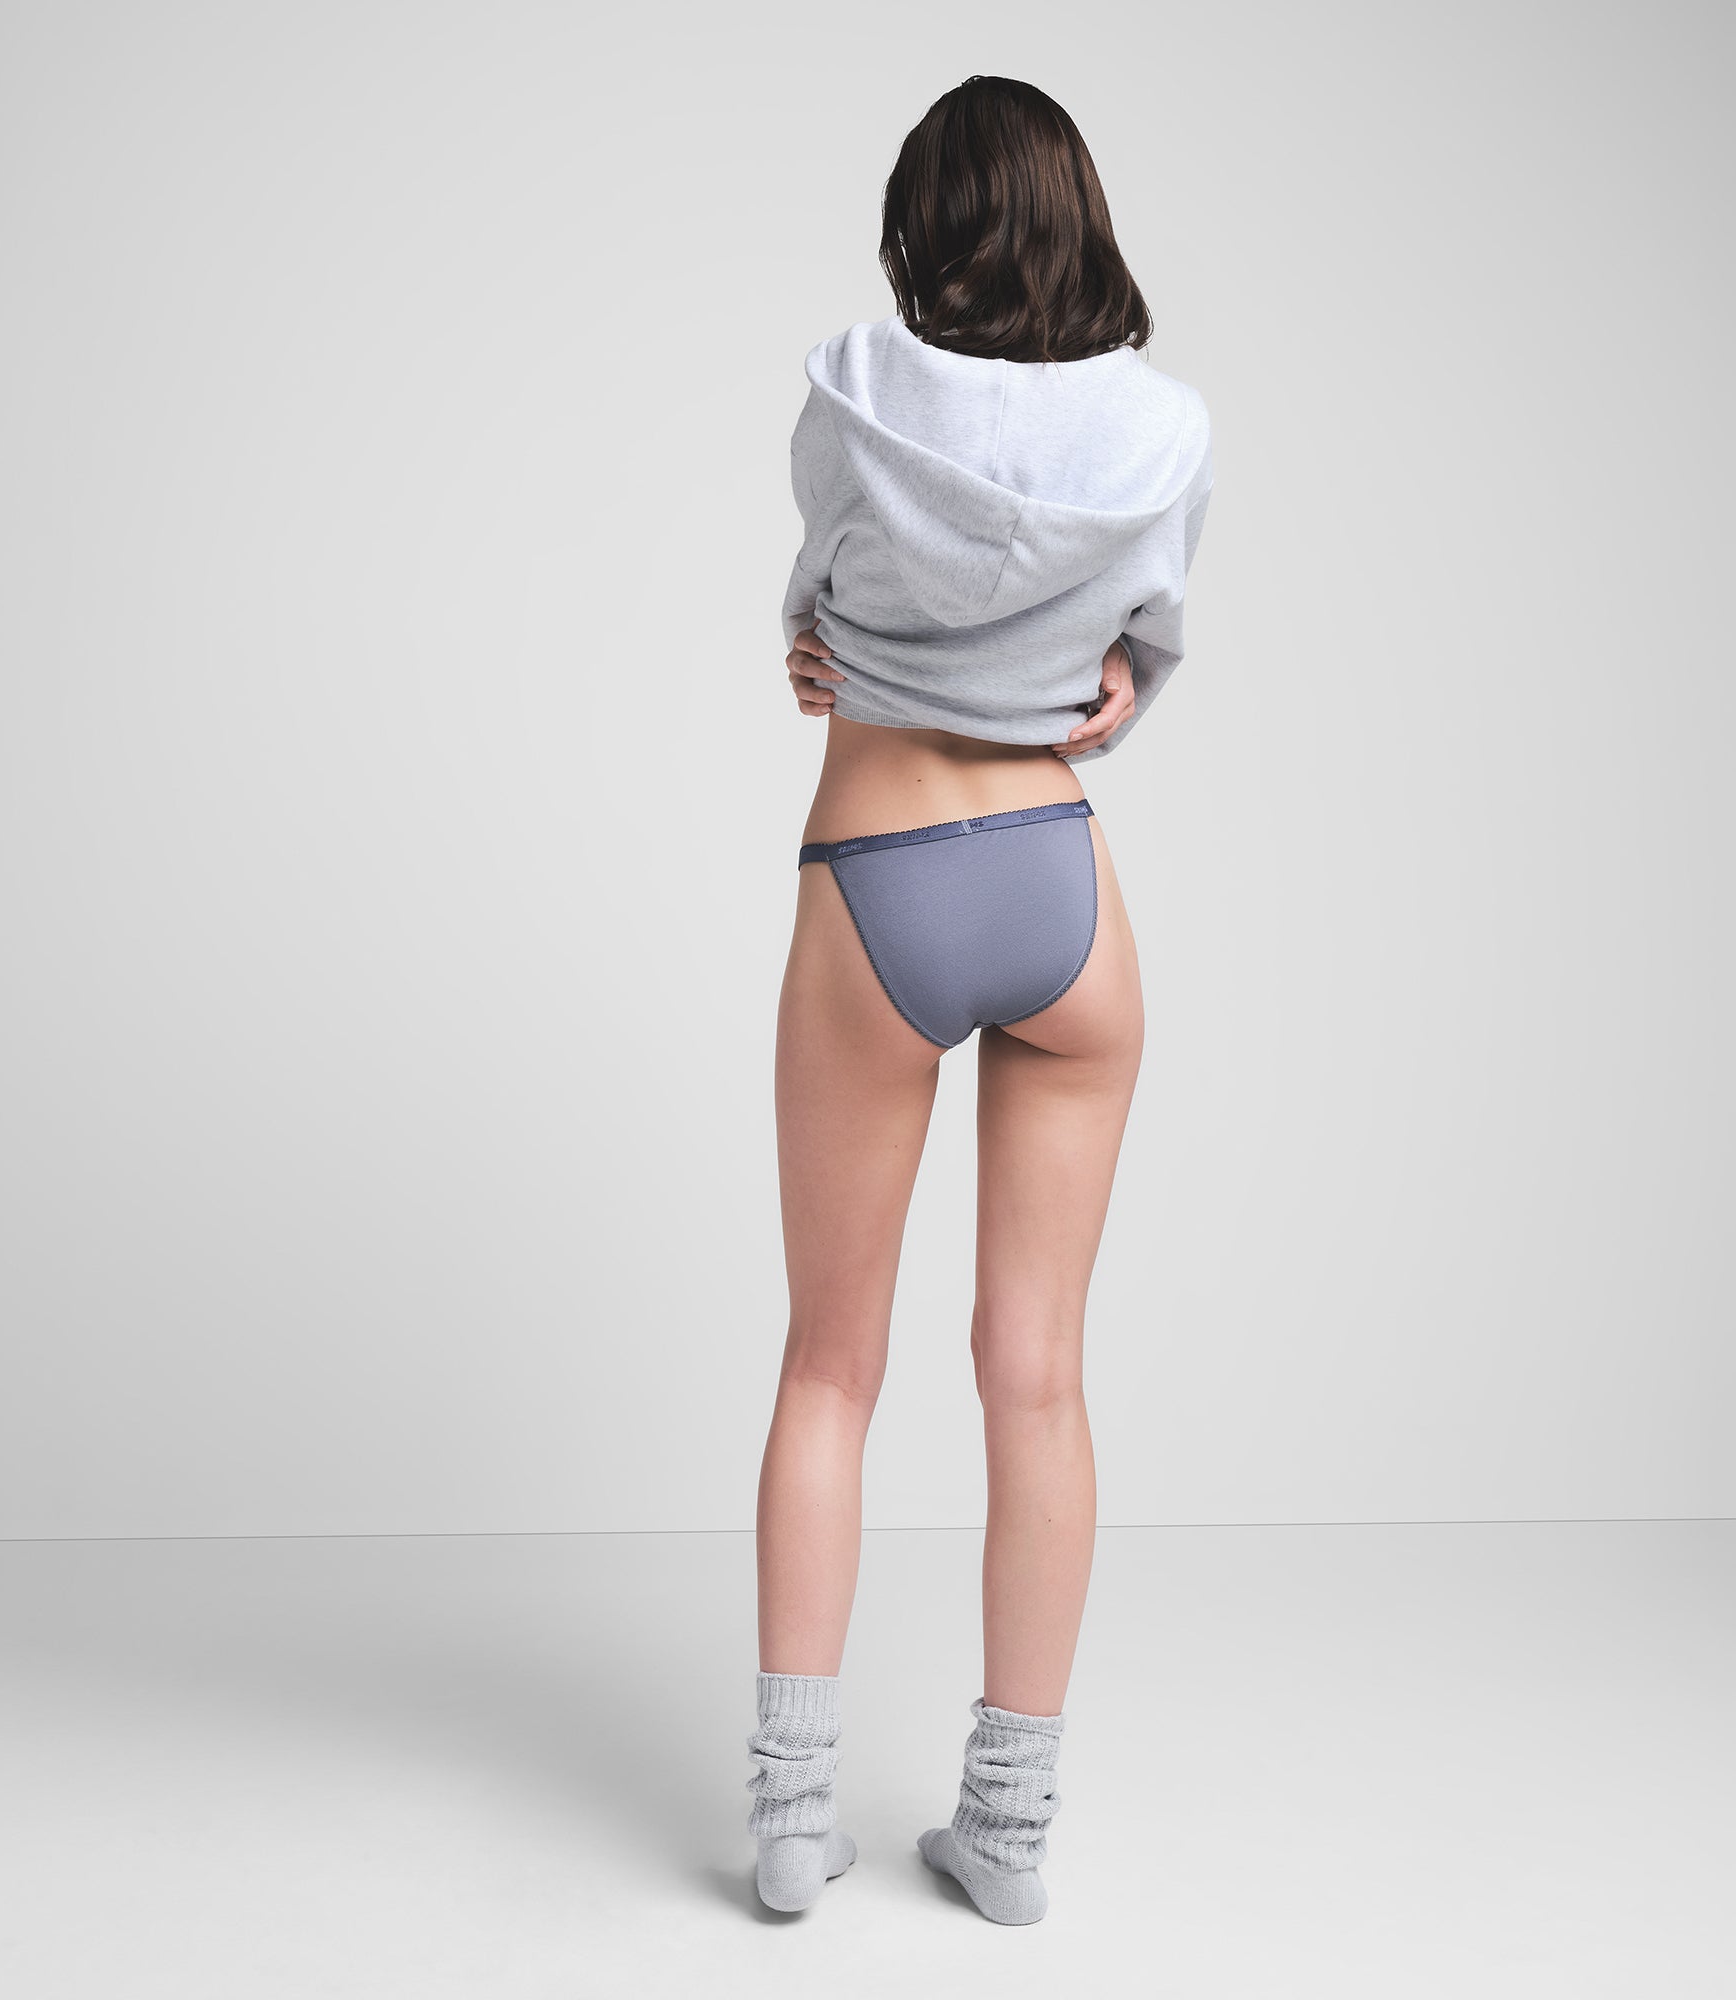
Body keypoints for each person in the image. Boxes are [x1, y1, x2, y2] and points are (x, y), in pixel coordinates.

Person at [743, 74, 1215, 1925]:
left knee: (828, 1367)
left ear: (916, 232)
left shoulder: (856, 387)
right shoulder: (1163, 428)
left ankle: (793, 1828)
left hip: (877, 879)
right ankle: (1008, 1837)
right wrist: (1112, 678)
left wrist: (822, 643)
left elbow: (825, 596)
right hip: (1059, 890)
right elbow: (1130, 662)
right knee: (1039, 1378)